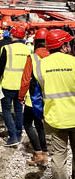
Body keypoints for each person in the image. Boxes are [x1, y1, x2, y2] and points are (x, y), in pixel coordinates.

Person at [32, 29, 75, 179]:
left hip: (55, 118)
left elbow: (35, 96)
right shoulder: (74, 62)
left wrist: (40, 115)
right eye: (68, 44)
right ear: (64, 46)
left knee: (58, 156)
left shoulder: (40, 65)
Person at [18, 28, 49, 166]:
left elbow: (26, 80)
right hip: (47, 97)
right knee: (40, 126)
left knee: (27, 124)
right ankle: (45, 153)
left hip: (33, 98)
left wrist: (21, 96)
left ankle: (38, 153)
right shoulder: (51, 56)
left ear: (36, 42)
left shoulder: (33, 57)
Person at [0, 26, 32, 146]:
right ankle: (18, 134)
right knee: (18, 110)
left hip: (8, 85)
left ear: (12, 35)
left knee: (6, 110)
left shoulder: (6, 48)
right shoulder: (28, 50)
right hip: (22, 86)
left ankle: (12, 136)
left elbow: (0, 68)